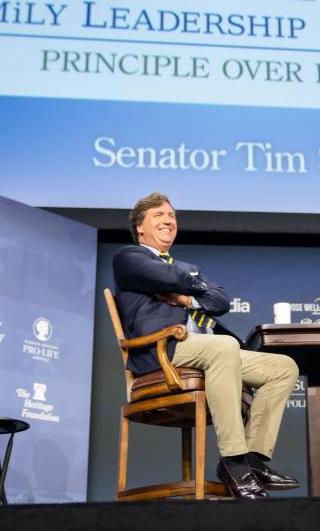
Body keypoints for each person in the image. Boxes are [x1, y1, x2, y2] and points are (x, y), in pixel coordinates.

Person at [112, 192, 301, 499]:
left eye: (172, 216)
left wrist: (185, 296)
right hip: (164, 350)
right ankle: (233, 461)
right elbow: (164, 274)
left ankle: (254, 459)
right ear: (140, 228)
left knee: (283, 367)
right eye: (159, 215)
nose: (169, 220)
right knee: (224, 345)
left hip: (206, 350)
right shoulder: (129, 258)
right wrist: (189, 279)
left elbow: (221, 300)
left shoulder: (184, 266)